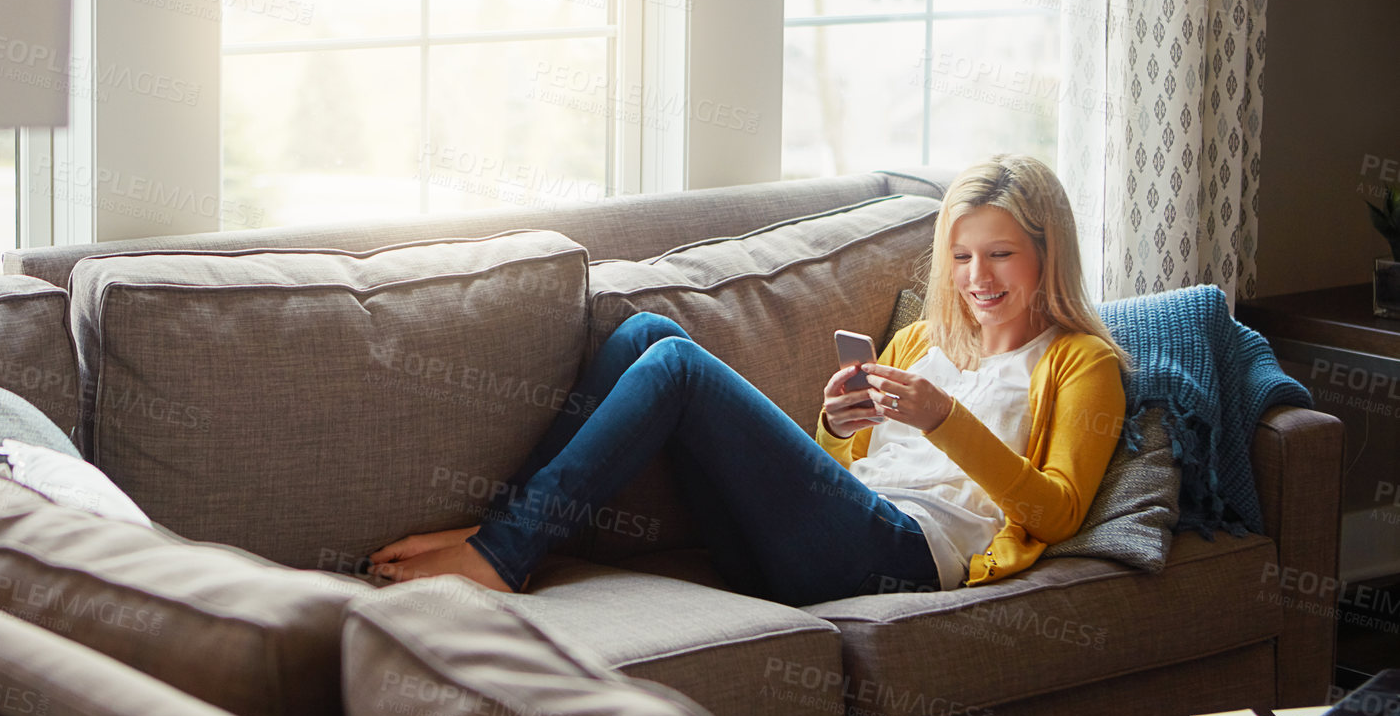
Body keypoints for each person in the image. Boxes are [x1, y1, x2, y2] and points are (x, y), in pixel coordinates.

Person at [369, 154, 1128, 604]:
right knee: (646, 335)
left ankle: (502, 556)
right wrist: (837, 426)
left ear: (1046, 252)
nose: (977, 277)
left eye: (1000, 255)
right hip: (830, 534)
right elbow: (845, 472)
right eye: (962, 258)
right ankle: (503, 525)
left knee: (676, 366)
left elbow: (1058, 512)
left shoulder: (1079, 362)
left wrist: (943, 421)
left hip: (903, 558)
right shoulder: (923, 338)